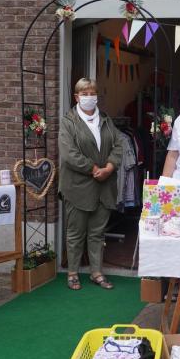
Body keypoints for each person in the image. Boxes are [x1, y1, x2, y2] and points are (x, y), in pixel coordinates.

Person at [58, 78, 123, 291]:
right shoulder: (68, 122)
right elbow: (69, 154)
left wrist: (110, 167)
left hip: (104, 186)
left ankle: (96, 272)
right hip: (78, 186)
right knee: (76, 233)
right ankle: (73, 273)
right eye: (84, 93)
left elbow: (119, 145)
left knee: (97, 233)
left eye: (92, 93)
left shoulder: (105, 120)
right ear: (76, 97)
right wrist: (94, 169)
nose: (89, 97)